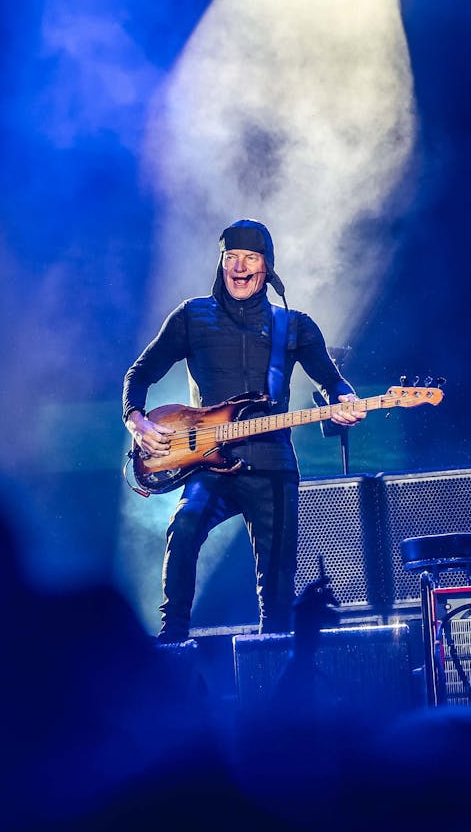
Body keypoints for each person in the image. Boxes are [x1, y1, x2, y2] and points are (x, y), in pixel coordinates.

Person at [123, 219, 363, 642]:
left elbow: (332, 380)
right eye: (230, 257)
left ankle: (274, 665)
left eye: (250, 258)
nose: (239, 267)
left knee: (277, 581)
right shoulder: (192, 316)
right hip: (208, 463)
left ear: (267, 268)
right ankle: (173, 640)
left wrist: (343, 400)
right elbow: (140, 373)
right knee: (183, 530)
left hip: (273, 465)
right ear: (221, 263)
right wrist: (136, 420)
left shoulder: (294, 326)